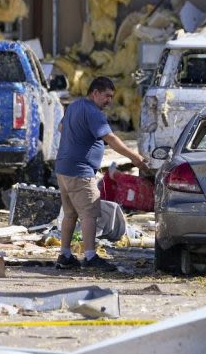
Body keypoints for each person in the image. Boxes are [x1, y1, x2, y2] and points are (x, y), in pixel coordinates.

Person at [54, 76, 149, 271]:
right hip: (80, 172)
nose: (109, 101)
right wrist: (135, 158)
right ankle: (89, 257)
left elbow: (61, 127)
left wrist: (77, 139)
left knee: (70, 214)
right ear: (95, 93)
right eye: (106, 96)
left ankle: (64, 255)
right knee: (90, 214)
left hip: (63, 169)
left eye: (111, 97)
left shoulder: (74, 105)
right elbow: (111, 138)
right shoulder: (93, 112)